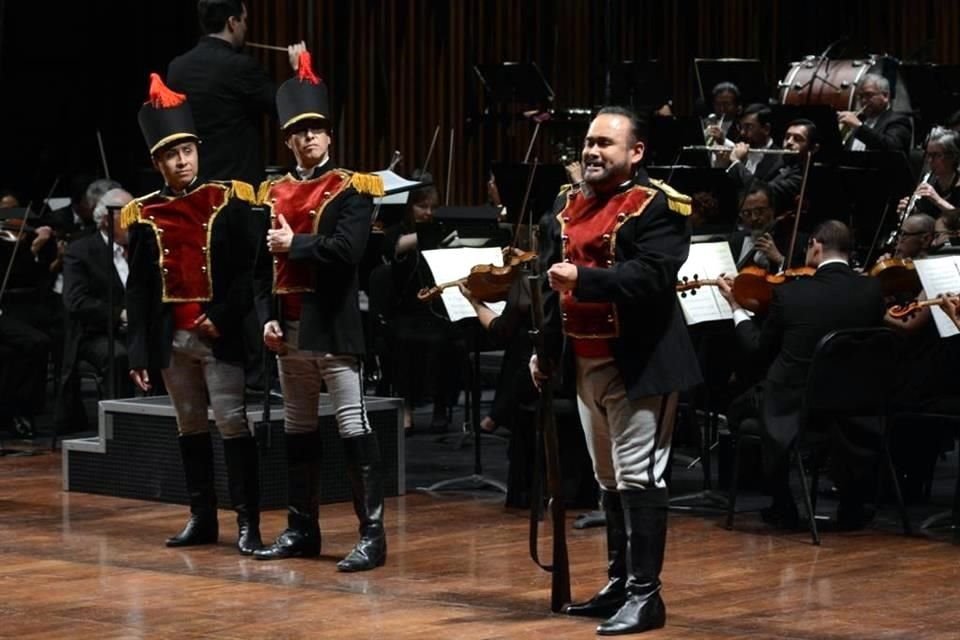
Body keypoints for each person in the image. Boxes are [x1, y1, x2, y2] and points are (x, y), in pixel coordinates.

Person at [531, 106, 701, 635]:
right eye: (588, 142)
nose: (592, 151)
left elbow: (652, 277)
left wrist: (583, 280)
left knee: (638, 477)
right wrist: (546, 350)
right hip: (583, 360)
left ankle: (647, 597)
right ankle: (620, 583)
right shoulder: (564, 205)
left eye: (605, 143)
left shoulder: (661, 207)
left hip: (639, 364)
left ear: (636, 152)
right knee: (608, 480)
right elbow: (548, 288)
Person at [252, 52, 388, 572]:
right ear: (288, 141)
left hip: (332, 325)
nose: (309, 138)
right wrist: (266, 315)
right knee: (299, 430)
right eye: (299, 132)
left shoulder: (352, 188)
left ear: (329, 136)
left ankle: (372, 535)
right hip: (286, 330)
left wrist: (295, 244)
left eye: (316, 130)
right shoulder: (272, 192)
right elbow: (259, 265)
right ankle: (301, 528)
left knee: (353, 427)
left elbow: (347, 252)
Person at [123, 73, 262, 555]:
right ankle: (201, 518)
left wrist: (222, 314)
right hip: (172, 342)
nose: (182, 161)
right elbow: (138, 289)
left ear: (197, 151)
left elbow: (249, 273)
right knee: (189, 427)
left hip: (217, 336)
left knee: (232, 423)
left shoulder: (229, 199)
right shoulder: (142, 215)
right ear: (157, 162)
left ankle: (248, 523)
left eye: (187, 151)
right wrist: (139, 351)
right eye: (171, 154)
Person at [717, 221, 886, 529]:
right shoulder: (872, 290)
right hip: (853, 408)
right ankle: (852, 504)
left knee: (739, 407)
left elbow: (756, 350)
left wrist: (736, 306)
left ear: (817, 246)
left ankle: (782, 502)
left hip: (795, 406)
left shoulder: (791, 293)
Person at [167, 0, 304, 187]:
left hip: (193, 187)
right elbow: (288, 113)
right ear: (232, 22)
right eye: (244, 20)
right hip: (235, 189)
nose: (245, 27)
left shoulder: (176, 68)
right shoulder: (241, 67)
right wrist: (299, 70)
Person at [378, 175, 464, 434]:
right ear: (409, 207)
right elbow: (392, 247)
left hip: (437, 310)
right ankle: (406, 409)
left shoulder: (441, 232)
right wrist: (424, 236)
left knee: (452, 340)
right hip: (405, 311)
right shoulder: (397, 232)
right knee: (402, 341)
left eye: (432, 207)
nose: (428, 212)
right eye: (422, 206)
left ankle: (441, 406)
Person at [56, 188, 134, 434]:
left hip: (136, 328)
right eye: (128, 215)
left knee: (171, 347)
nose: (136, 221)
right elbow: (76, 301)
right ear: (106, 220)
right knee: (119, 357)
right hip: (95, 333)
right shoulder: (81, 251)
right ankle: (120, 429)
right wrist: (118, 314)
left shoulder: (141, 248)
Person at [839, 74, 912, 154]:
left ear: (885, 96)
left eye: (868, 95)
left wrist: (858, 126)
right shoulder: (860, 119)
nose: (863, 101)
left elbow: (892, 148)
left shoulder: (899, 120)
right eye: (861, 96)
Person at [896, 127, 960, 218]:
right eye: (928, 155)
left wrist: (938, 200)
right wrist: (912, 211)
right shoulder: (929, 180)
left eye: (936, 155)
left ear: (953, 156)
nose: (930, 160)